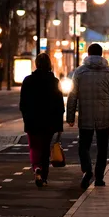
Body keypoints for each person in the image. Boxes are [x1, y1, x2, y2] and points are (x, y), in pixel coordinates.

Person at [67, 43, 109, 189]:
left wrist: (70, 116)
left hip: (85, 115)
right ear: (101, 54)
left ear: (88, 54)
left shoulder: (79, 72)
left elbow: (72, 95)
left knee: (83, 146)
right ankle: (99, 178)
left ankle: (87, 170)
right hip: (104, 116)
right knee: (102, 148)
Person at [20, 53, 65, 187]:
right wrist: (59, 125)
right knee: (45, 149)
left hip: (32, 120)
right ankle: (44, 176)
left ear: (36, 64)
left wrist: (26, 117)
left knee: (34, 146)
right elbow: (59, 104)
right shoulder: (54, 81)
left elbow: (23, 103)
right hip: (49, 121)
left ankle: (36, 168)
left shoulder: (28, 80)